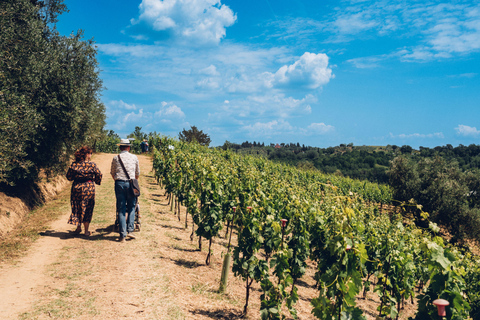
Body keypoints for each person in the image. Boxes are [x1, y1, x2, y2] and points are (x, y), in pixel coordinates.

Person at [66, 146, 102, 236]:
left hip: (77, 187)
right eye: (90, 153)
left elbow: (69, 177)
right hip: (88, 188)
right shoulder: (92, 165)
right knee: (88, 207)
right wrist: (96, 181)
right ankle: (86, 231)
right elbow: (99, 174)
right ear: (87, 154)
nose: (91, 155)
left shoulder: (74, 165)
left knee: (77, 206)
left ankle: (78, 228)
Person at [111, 139, 140, 242]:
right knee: (132, 207)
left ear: (120, 147)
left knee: (121, 208)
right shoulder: (134, 157)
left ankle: (122, 235)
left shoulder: (116, 158)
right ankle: (130, 230)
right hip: (131, 183)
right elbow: (137, 173)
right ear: (129, 147)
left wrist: (119, 181)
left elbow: (113, 173)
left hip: (119, 183)